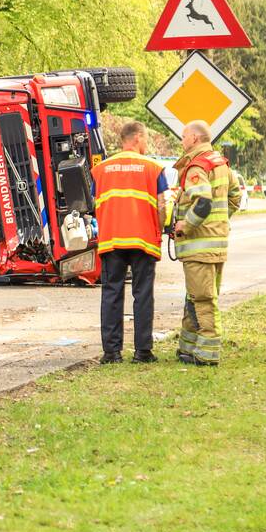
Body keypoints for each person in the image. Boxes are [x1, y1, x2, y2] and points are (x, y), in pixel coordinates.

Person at [91, 121, 168, 364]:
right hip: (143, 239)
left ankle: (111, 352)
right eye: (145, 139)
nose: (146, 144)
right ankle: (142, 351)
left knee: (111, 294)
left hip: (111, 239)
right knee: (142, 294)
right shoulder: (153, 168)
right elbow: (163, 205)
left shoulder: (101, 169)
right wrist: (161, 229)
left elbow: (95, 204)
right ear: (137, 138)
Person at [172, 120, 241, 366]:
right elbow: (235, 196)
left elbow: (202, 202)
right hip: (216, 245)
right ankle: (188, 348)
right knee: (196, 296)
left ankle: (208, 353)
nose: (181, 141)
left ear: (194, 138)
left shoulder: (197, 167)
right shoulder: (220, 163)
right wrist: (220, 221)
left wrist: (184, 225)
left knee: (202, 299)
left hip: (198, 246)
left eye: (183, 137)